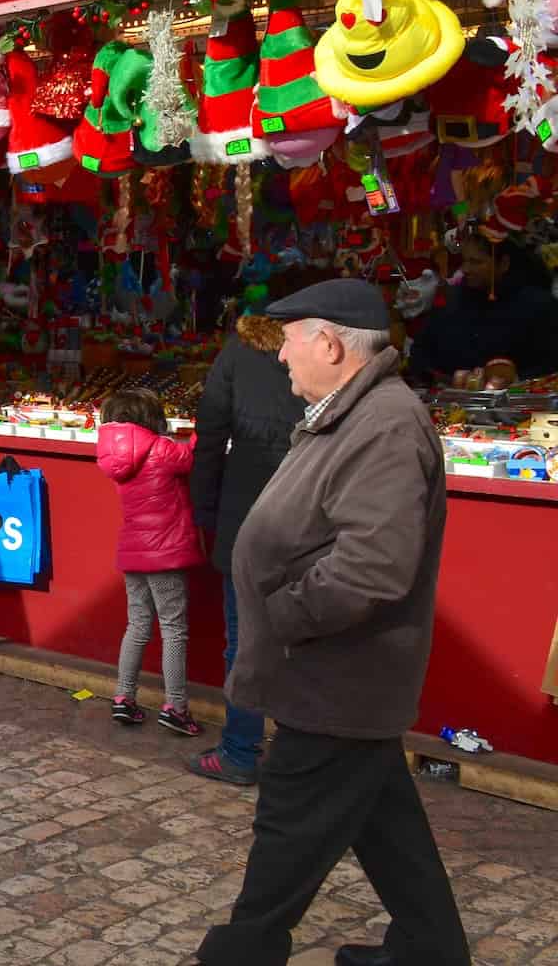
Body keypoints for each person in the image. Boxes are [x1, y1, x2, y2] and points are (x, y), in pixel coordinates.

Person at [198, 279, 469, 966]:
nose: (281, 358)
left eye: (288, 343)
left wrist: (284, 614)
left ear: (329, 343)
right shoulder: (351, 411)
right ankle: (429, 951)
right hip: (338, 678)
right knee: (387, 828)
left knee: (284, 841)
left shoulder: (384, 422)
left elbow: (371, 567)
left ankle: (239, 954)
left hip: (335, 678)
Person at [185, 312, 305, 786]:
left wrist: (203, 511)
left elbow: (209, 437)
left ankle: (239, 751)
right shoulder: (325, 352)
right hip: (304, 512)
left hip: (248, 515)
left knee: (246, 641)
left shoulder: (237, 352)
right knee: (305, 640)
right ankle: (300, 755)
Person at [96, 387, 202, 736]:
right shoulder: (162, 449)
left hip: (133, 550)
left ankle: (124, 698)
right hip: (166, 552)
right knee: (173, 629)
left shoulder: (113, 454)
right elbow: (193, 457)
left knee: (137, 625)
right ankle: (176, 706)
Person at [408, 232, 558, 383]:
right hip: (450, 400)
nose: (466, 269)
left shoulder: (538, 305)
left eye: (476, 262)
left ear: (504, 264)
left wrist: (513, 380)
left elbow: (550, 364)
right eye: (464, 261)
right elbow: (420, 353)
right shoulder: (451, 301)